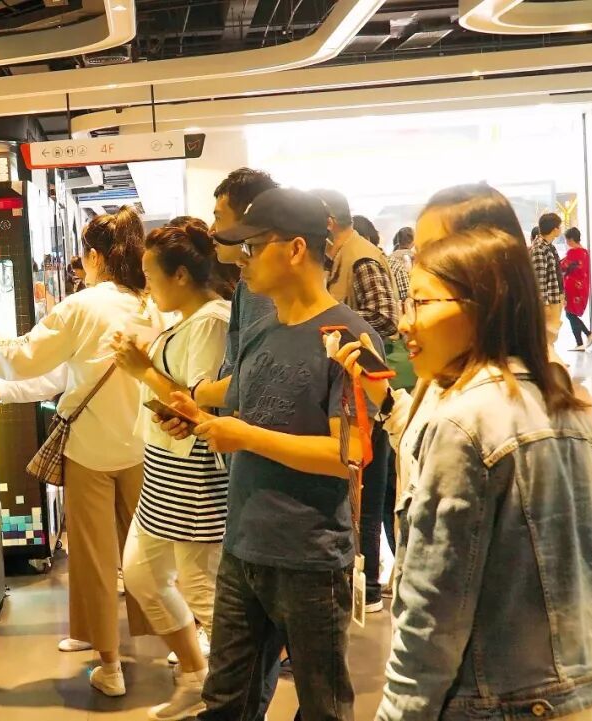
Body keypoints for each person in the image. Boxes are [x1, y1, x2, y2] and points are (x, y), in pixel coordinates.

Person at [341, 226, 592, 721]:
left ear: (482, 305)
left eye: (420, 302)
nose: (404, 322)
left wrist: (398, 712)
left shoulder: (463, 423)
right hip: (575, 694)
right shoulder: (566, 407)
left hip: (491, 702)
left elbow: (432, 613)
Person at [160, 188, 384, 721]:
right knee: (225, 703)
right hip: (243, 548)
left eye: (254, 247)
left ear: (296, 249)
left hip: (310, 557)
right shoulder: (262, 331)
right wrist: (195, 413)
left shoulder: (351, 337)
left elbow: (348, 454)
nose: (242, 260)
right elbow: (244, 407)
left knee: (323, 707)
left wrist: (246, 437)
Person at [0, 206, 161, 697]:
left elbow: (28, 357)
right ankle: (177, 643)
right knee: (151, 548)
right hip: (144, 447)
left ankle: (109, 666)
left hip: (89, 449)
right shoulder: (150, 305)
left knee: (93, 556)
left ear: (95, 256)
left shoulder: (81, 306)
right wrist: (2, 393)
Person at [111, 223, 231, 721]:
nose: (146, 285)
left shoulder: (211, 321)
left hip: (194, 475)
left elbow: (198, 402)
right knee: (143, 575)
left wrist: (141, 368)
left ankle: (232, 699)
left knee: (205, 594)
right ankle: (196, 677)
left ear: (180, 275)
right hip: (164, 472)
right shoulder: (189, 317)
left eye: (150, 274)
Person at [311, 189, 399, 615]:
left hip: (369, 387)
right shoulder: (344, 256)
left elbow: (384, 317)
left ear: (327, 222)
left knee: (370, 489)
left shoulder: (360, 258)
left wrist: (335, 326)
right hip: (357, 384)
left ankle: (370, 586)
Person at [210, 168, 280, 378]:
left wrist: (199, 392)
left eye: (218, 218)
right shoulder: (249, 283)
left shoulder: (259, 287)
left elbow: (255, 374)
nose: (211, 230)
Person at [532, 212, 566, 348]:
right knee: (547, 335)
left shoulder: (549, 246)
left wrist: (562, 295)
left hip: (555, 296)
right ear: (554, 229)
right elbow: (539, 278)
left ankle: (549, 355)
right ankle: (547, 358)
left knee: (552, 334)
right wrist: (544, 304)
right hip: (549, 300)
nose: (560, 229)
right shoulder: (539, 248)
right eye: (559, 226)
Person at [560, 227, 592, 350]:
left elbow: (562, 266)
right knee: (570, 314)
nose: (566, 242)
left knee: (570, 313)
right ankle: (580, 342)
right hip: (582, 287)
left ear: (571, 239)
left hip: (572, 287)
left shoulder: (573, 252)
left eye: (567, 240)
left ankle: (587, 336)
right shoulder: (585, 252)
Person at [388, 227, 414, 304]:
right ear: (413, 241)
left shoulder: (389, 258)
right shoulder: (412, 258)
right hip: (408, 301)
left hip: (394, 301)